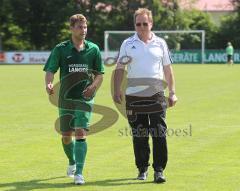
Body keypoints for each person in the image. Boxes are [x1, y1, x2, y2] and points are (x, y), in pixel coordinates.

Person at [113, 8, 177, 183]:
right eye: (138, 24)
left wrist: (172, 92)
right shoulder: (127, 43)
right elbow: (119, 68)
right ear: (135, 24)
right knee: (139, 134)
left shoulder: (161, 43)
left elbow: (168, 70)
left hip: (156, 94)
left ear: (151, 24)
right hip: (133, 96)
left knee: (159, 133)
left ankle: (159, 170)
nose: (141, 27)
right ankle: (142, 169)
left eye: (145, 23)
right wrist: (116, 89)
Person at [43, 14, 104, 185]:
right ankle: (71, 161)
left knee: (80, 132)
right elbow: (50, 70)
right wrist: (48, 83)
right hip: (65, 99)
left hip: (85, 99)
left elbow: (100, 74)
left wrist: (93, 87)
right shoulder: (61, 49)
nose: (83, 30)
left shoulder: (94, 49)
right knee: (66, 136)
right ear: (71, 28)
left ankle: (79, 173)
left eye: (85, 27)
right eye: (79, 27)